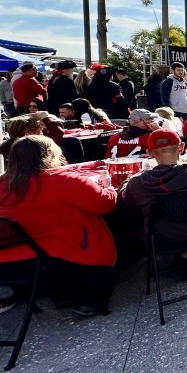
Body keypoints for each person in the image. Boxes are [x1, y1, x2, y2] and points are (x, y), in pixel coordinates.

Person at [0, 135, 118, 317]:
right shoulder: (62, 180)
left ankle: (63, 294)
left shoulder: (4, 185)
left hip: (10, 260)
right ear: (49, 154)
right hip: (63, 253)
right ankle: (92, 300)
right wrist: (108, 187)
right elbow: (104, 204)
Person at [121, 128, 187, 279]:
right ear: (181, 147)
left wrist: (127, 182)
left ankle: (170, 261)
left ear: (150, 153)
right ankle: (186, 258)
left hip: (165, 237)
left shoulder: (139, 183)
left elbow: (128, 202)